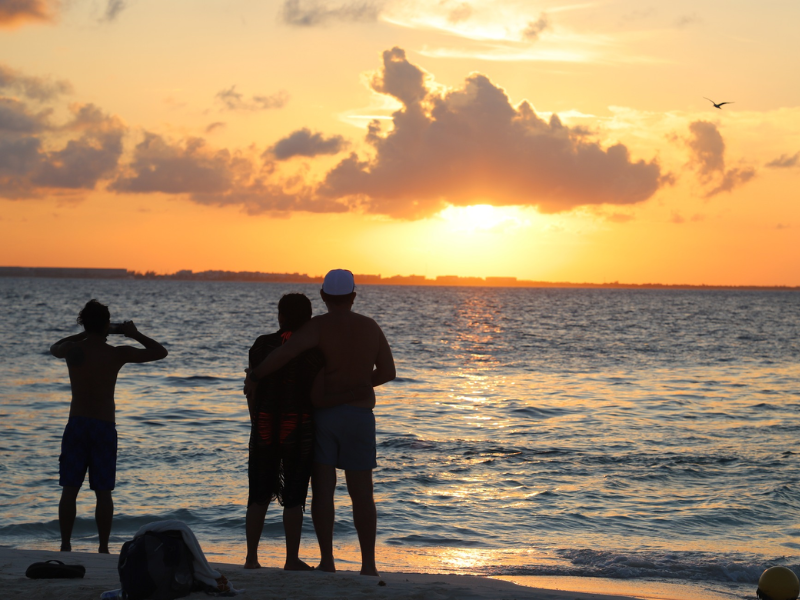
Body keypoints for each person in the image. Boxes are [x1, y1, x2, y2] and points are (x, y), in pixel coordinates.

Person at [244, 269, 396, 576]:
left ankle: (328, 562)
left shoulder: (316, 328)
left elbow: (285, 354)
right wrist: (358, 387)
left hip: (324, 416)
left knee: (323, 491)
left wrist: (256, 375)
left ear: (324, 296)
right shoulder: (370, 326)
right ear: (354, 295)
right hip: (359, 416)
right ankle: (368, 566)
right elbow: (388, 372)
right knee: (362, 494)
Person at [49, 299, 168, 553]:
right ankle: (103, 548)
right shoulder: (117, 353)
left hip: (77, 424)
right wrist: (134, 334)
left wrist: (81, 335)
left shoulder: (73, 350)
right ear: (106, 325)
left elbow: (54, 347)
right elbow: (160, 352)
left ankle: (65, 545)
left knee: (70, 489)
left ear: (84, 324)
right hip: (103, 426)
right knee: (103, 492)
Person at [244, 293, 324, 571]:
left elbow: (251, 389)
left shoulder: (261, 345)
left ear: (280, 315)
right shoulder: (314, 351)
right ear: (309, 318)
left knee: (257, 494)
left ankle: (251, 559)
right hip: (298, 427)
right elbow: (316, 394)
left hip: (264, 425)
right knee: (294, 496)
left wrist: (255, 419)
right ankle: (291, 559)